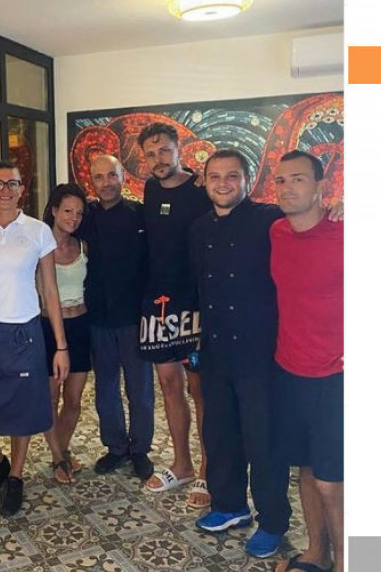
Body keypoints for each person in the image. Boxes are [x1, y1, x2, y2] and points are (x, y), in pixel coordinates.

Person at [188, 148, 292, 558]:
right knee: (220, 433)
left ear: (248, 180)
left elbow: (309, 223)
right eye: (215, 176)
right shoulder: (199, 229)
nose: (223, 183)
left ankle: (273, 521)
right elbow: (199, 288)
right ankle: (230, 505)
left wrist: (337, 210)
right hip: (216, 350)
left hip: (260, 352)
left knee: (262, 440)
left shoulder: (271, 220)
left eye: (232, 176)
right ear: (205, 181)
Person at [0, 161, 70, 517]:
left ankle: (16, 475)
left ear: (22, 189)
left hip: (24, 331)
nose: (5, 190)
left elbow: (50, 291)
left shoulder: (38, 232)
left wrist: (61, 346)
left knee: (23, 406)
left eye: (12, 184)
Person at [270, 151, 344, 572]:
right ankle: (317, 552)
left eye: (298, 179)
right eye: (280, 180)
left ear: (321, 186)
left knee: (333, 482)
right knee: (307, 469)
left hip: (335, 376)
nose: (287, 188)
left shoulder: (345, 232)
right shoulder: (277, 231)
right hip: (289, 370)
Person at [137, 122, 212, 509]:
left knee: (201, 390)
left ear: (179, 150)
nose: (158, 159)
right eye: (151, 154)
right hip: (159, 302)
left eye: (164, 150)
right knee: (169, 384)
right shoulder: (150, 190)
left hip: (196, 304)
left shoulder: (201, 189)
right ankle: (181, 463)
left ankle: (207, 470)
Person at [80, 155, 155, 480]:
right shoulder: (86, 217)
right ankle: (115, 447)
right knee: (106, 388)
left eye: (111, 175)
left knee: (141, 389)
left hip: (134, 316)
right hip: (98, 316)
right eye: (99, 177)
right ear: (92, 182)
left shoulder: (139, 214)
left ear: (122, 176)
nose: (106, 182)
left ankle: (140, 449)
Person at [39, 183, 91, 483]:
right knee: (50, 398)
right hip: (47, 328)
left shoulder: (83, 246)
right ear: (55, 210)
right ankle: (59, 457)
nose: (74, 218)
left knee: (73, 399)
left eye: (79, 213)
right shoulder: (38, 246)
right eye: (68, 210)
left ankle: (60, 449)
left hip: (80, 325)